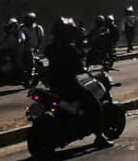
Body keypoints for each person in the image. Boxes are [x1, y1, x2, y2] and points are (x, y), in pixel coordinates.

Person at [44, 17, 110, 148]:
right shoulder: (70, 49)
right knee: (94, 105)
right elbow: (79, 69)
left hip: (54, 86)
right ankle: (99, 138)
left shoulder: (49, 48)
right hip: (70, 86)